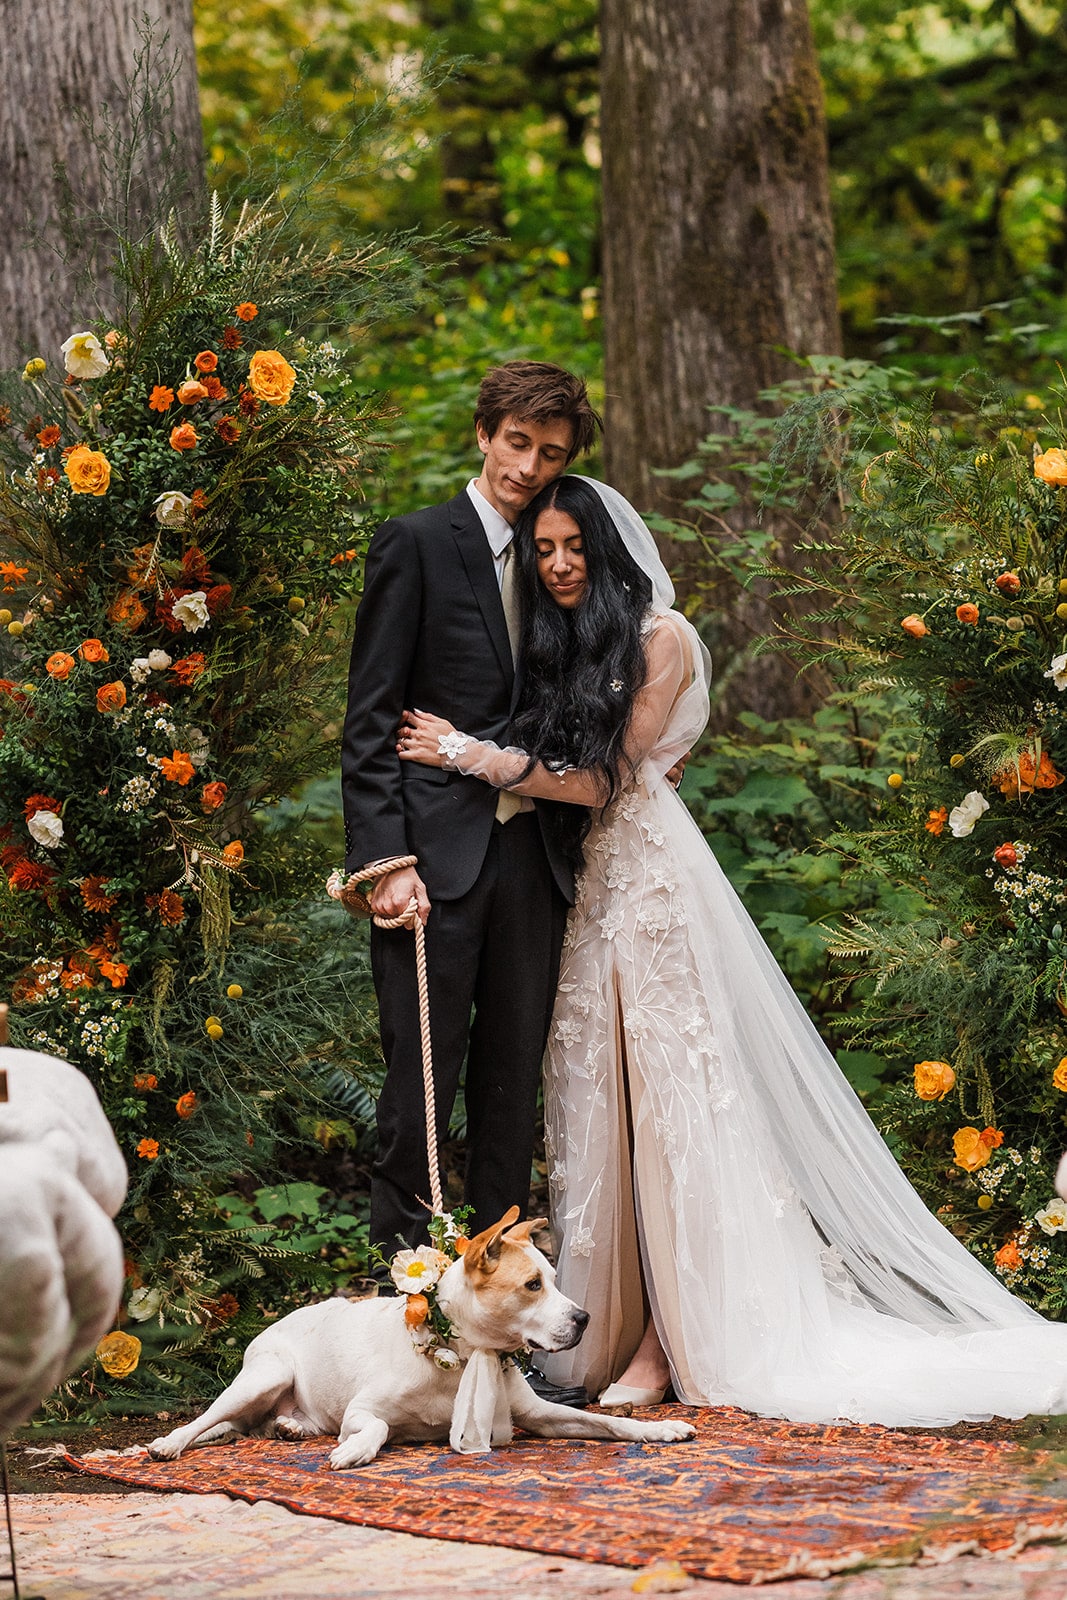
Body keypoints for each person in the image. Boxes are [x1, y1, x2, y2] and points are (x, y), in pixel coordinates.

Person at [397, 474, 1067, 1427]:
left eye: (572, 548)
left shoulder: (661, 637)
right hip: (584, 889)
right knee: (599, 1103)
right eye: (542, 549)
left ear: (610, 550)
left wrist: (468, 754)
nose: (555, 565)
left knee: (677, 1106)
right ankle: (602, 1323)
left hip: (649, 884)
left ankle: (671, 1339)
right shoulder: (568, 640)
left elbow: (601, 781)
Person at [340, 363, 600, 1410]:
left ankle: (508, 1344)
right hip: (429, 872)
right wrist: (383, 862)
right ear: (484, 433)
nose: (527, 468)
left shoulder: (559, 556)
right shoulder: (415, 543)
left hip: (529, 865)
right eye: (516, 444)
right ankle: (409, 1322)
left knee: (505, 1096)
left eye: (548, 455)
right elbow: (369, 721)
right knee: (418, 1094)